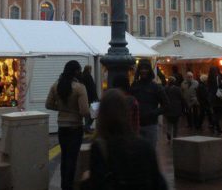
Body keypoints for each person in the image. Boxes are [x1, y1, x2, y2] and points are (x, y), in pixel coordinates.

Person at [86, 89, 168, 190]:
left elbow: (97, 183)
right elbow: (159, 183)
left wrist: (84, 182)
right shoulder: (145, 146)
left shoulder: (100, 148)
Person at [45, 60, 89, 190]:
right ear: (76, 71)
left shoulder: (56, 85)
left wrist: (62, 109)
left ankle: (64, 185)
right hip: (75, 127)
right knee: (72, 159)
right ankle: (69, 186)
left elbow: (48, 104)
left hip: (62, 127)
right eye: (79, 70)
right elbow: (84, 111)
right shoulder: (79, 88)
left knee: (64, 157)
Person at [131, 59, 168, 148]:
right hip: (136, 125)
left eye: (146, 68)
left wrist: (153, 113)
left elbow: (166, 105)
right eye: (141, 68)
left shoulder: (156, 87)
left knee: (150, 152)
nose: (143, 71)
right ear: (139, 70)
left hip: (150, 125)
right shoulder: (134, 85)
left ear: (149, 70)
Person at [164, 77, 184, 141]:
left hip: (168, 108)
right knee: (176, 124)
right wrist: (185, 106)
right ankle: (175, 136)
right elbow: (181, 98)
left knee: (169, 122)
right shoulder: (177, 89)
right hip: (176, 108)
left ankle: (169, 132)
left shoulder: (165, 89)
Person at [80, 65, 99, 133]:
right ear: (89, 69)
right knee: (94, 113)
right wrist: (96, 97)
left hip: (85, 97)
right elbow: (92, 88)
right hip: (91, 97)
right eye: (90, 69)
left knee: (87, 114)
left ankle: (87, 127)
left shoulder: (82, 76)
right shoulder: (88, 76)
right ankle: (87, 126)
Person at [207, 66, 222, 134]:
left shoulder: (209, 78)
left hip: (212, 97)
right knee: (220, 113)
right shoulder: (218, 77)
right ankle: (213, 123)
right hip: (218, 97)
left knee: (215, 112)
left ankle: (218, 128)